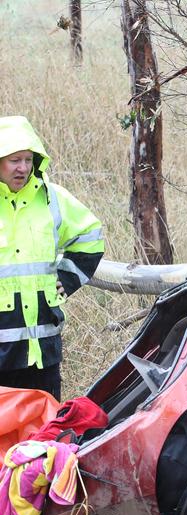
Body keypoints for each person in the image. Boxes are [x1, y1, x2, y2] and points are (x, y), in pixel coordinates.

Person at [0, 116, 104, 401]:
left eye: (28, 159)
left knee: (43, 434)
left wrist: (68, 278)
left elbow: (90, 235)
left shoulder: (51, 198)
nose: (23, 168)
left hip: (42, 349)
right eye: (14, 160)